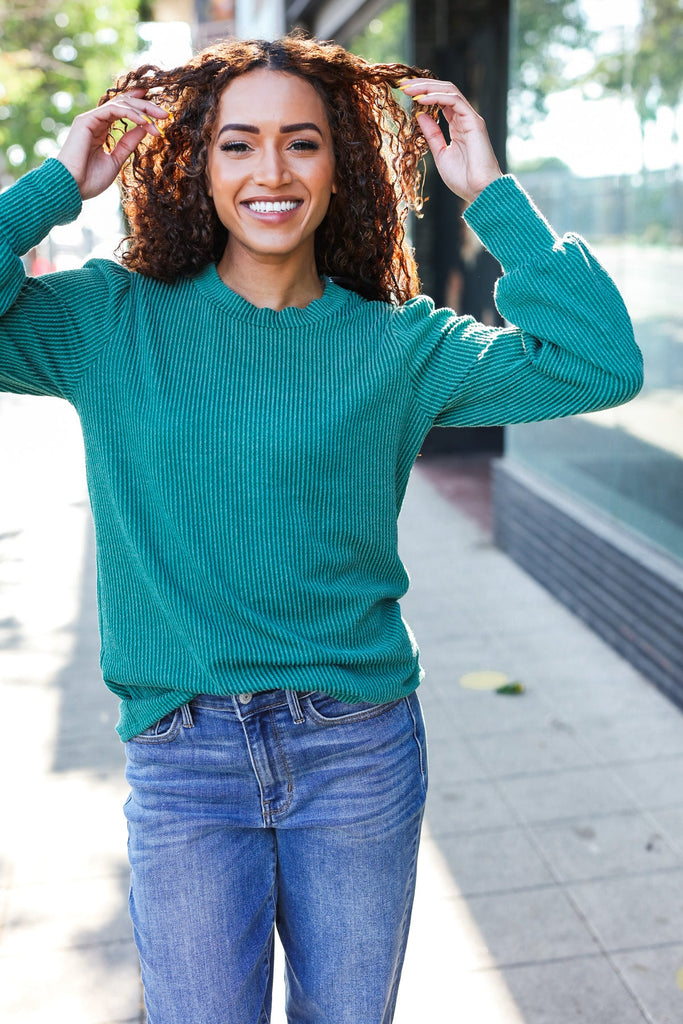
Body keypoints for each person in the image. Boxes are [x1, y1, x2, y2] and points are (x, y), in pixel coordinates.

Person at [0, 30, 642, 1024]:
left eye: (300, 142)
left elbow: (597, 362)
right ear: (194, 164)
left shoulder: (399, 343)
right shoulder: (107, 323)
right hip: (184, 753)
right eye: (236, 143)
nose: (270, 170)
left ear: (340, 163)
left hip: (354, 749)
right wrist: (53, 186)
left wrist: (490, 197)